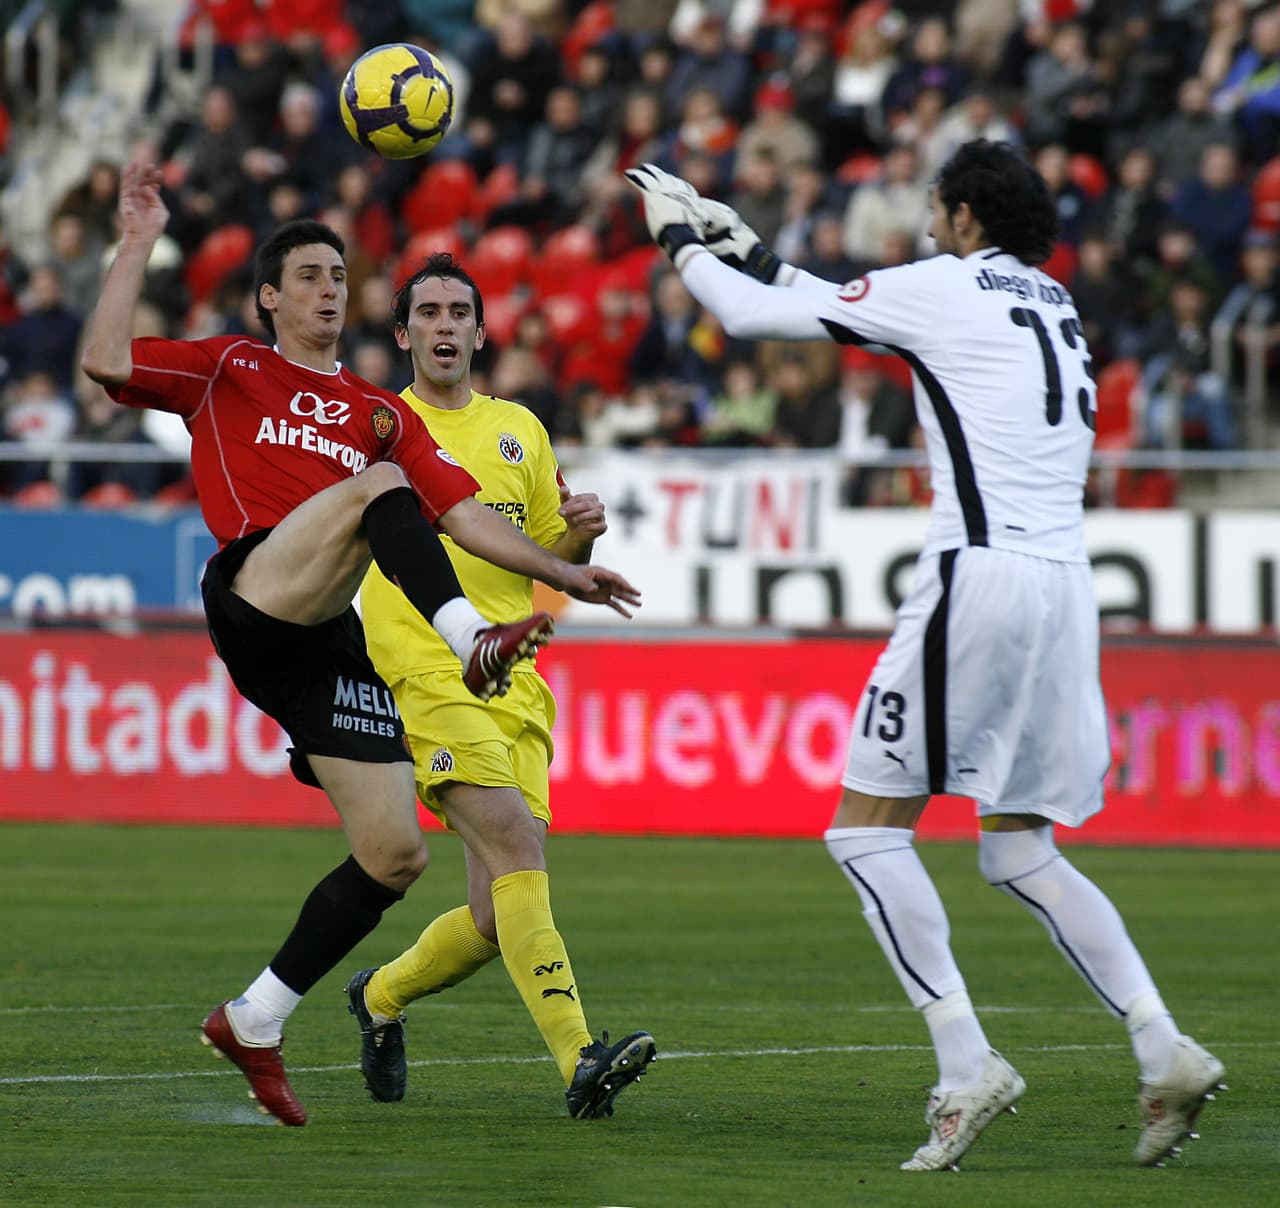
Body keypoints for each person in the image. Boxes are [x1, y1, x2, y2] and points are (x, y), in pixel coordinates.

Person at [626, 141, 1225, 1171]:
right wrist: (749, 243)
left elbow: (752, 318)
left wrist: (678, 240)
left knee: (862, 831)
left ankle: (964, 1062)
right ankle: (1159, 1041)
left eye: (934, 210)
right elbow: (820, 294)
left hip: (975, 575)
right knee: (1015, 845)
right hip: (1066, 586)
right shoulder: (1052, 302)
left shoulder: (944, 285)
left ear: (958, 216)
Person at [81, 163, 641, 1127]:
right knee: (383, 484)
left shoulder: (376, 412)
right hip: (259, 589)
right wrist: (136, 243)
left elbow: (464, 519)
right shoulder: (230, 368)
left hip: (326, 644)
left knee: (392, 857)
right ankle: (467, 637)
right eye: (307, 276)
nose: (328, 289)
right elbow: (104, 361)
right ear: (268, 296)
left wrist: (567, 573)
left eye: (338, 275)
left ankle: (257, 1017)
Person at [344, 253, 656, 1120]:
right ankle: (579, 1059)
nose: (445, 326)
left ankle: (379, 997)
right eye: (429, 313)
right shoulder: (376, 428)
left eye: (459, 313)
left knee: (492, 916)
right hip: (427, 670)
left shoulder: (520, 427)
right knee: (520, 849)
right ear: (403, 334)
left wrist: (581, 538)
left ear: (482, 332)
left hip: (517, 684)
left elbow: (553, 560)